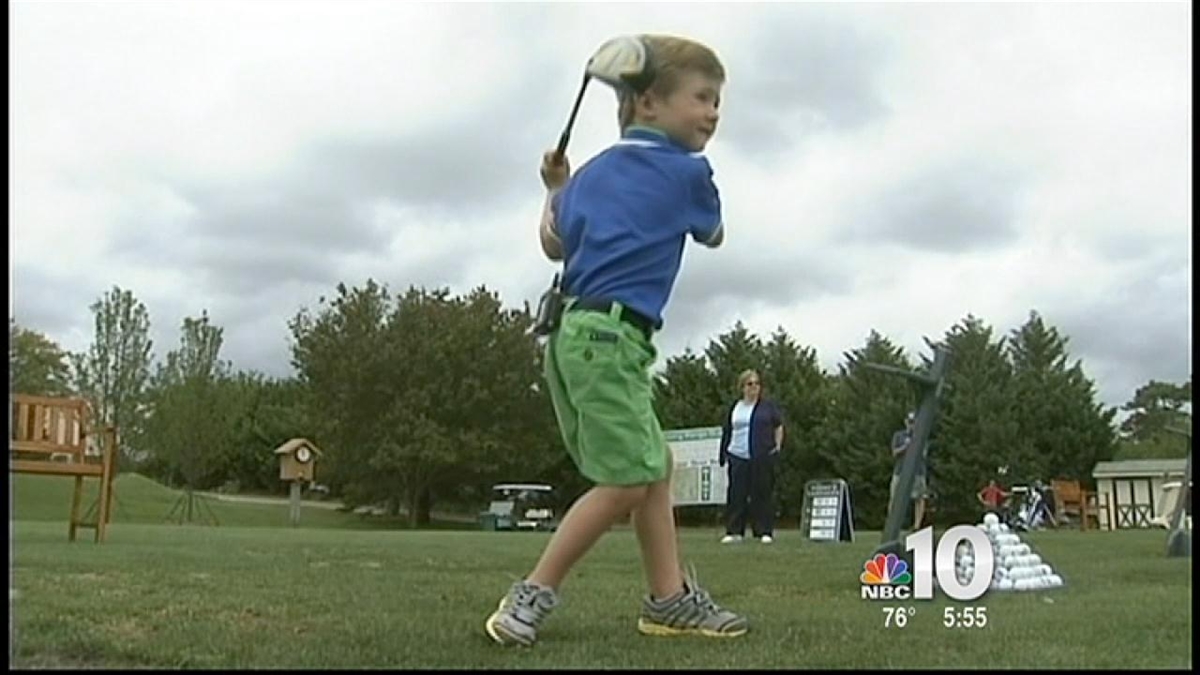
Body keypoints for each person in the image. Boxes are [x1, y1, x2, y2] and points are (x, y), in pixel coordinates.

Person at [484, 34, 747, 647]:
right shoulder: (690, 172)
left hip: (575, 334)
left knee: (656, 465)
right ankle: (532, 595)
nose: (713, 113)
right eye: (702, 98)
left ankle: (670, 599)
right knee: (629, 479)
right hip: (611, 338)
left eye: (717, 102)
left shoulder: (591, 175)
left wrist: (556, 185)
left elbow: (553, 243)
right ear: (648, 102)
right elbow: (714, 234)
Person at [718, 369, 785, 544]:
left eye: (757, 384)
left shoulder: (767, 407)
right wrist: (724, 453)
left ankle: (763, 531)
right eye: (750, 384)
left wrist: (777, 446)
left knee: (762, 494)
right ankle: (734, 531)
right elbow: (727, 430)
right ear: (742, 387)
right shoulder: (735, 407)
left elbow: (778, 426)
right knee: (736, 494)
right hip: (737, 455)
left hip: (761, 455)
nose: (754, 387)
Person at [889, 411, 928, 531]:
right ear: (906, 422)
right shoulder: (899, 435)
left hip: (917, 472)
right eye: (910, 422)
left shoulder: (921, 435)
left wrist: (914, 445)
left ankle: (917, 525)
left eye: (913, 423)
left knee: (919, 498)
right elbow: (894, 453)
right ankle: (892, 524)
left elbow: (924, 454)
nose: (911, 425)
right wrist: (905, 447)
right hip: (900, 471)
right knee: (895, 498)